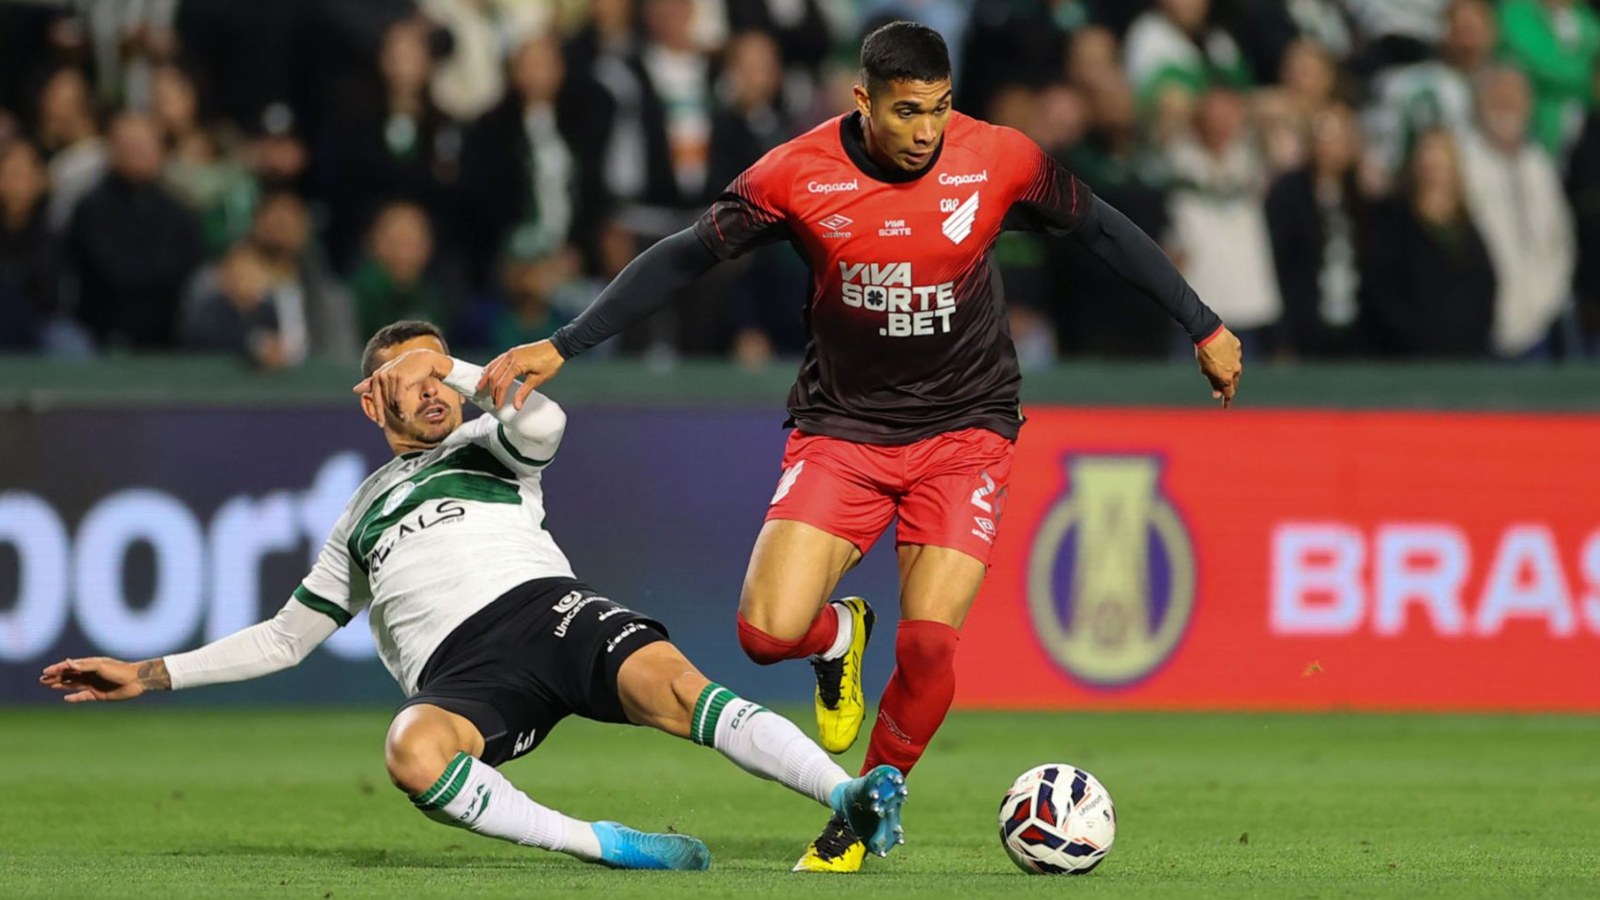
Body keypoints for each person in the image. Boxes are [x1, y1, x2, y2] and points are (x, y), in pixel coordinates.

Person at [474, 21, 1242, 872]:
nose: (926, 132)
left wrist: (1202, 323)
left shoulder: (999, 159)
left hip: (967, 429)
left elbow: (1103, 229)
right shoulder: (793, 176)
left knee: (929, 645)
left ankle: (864, 811)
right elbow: (684, 259)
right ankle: (839, 638)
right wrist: (566, 344)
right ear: (863, 101)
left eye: (940, 110)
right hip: (842, 432)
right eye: (908, 111)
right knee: (766, 634)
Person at [39, 320, 907, 872]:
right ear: (372, 398)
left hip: (547, 610)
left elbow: (549, 423)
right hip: (462, 677)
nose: (431, 391)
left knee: (680, 689)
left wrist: (451, 364)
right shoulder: (362, 512)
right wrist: (148, 674)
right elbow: (283, 639)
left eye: (436, 377)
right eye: (407, 379)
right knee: (410, 752)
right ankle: (604, 845)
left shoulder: (493, 443)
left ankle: (847, 798)